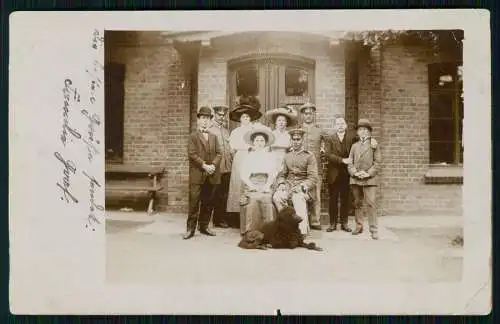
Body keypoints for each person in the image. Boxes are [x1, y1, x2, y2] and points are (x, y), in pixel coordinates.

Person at [273, 128, 319, 236]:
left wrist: (303, 186)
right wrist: (281, 184)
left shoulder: (309, 156)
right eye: (293, 139)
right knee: (277, 197)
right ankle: (286, 226)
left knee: (297, 198)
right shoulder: (287, 156)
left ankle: (302, 231)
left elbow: (313, 177)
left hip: (304, 188)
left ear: (302, 140)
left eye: (298, 139)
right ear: (291, 141)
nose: (296, 142)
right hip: (289, 186)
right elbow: (282, 174)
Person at [184, 106, 221, 240]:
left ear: (211, 121)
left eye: (208, 118)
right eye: (203, 118)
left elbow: (219, 153)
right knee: (194, 201)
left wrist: (213, 165)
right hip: (197, 174)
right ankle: (190, 229)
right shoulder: (193, 136)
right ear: (198, 120)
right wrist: (204, 165)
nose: (205, 121)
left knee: (208, 202)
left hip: (211, 174)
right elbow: (192, 154)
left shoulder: (214, 137)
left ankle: (204, 226)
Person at [226, 103, 264, 217]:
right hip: (239, 158)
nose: (245, 119)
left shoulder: (254, 131)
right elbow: (231, 149)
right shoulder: (235, 132)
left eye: (247, 117)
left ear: (250, 118)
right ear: (239, 119)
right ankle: (236, 214)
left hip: (251, 156)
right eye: (243, 117)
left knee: (250, 181)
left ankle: (250, 211)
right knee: (238, 183)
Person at [347, 119, 382, 240]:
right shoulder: (354, 146)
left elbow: (377, 163)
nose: (363, 132)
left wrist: (368, 174)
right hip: (356, 179)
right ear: (357, 132)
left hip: (369, 179)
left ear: (369, 132)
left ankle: (374, 229)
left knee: (371, 203)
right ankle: (359, 226)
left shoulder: (373, 145)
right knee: (357, 203)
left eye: (365, 130)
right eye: (360, 129)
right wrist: (355, 172)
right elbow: (349, 162)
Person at [239, 127, 278, 234]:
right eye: (257, 140)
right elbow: (244, 175)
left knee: (266, 200)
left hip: (266, 183)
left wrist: (267, 186)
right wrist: (252, 186)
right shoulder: (248, 157)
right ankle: (251, 232)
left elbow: (273, 174)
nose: (259, 143)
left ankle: (268, 232)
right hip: (252, 183)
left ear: (265, 143)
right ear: (253, 143)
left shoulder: (270, 156)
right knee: (254, 201)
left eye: (262, 141)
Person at [324, 115, 357, 232]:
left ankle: (344, 223)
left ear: (346, 125)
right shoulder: (330, 138)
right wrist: (342, 160)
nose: (340, 126)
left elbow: (363, 141)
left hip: (346, 173)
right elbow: (328, 155)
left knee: (345, 199)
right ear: (335, 126)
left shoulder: (352, 137)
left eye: (342, 123)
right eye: (338, 124)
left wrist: (372, 140)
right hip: (334, 173)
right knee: (333, 199)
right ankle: (332, 223)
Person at [299, 102, 328, 230]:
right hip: (300, 168)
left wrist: (323, 149)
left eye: (311, 113)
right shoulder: (298, 130)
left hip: (316, 168)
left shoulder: (319, 130)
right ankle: (302, 220)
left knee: (316, 194)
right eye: (306, 113)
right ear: (302, 115)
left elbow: (331, 141)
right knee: (301, 195)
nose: (308, 116)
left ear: (314, 115)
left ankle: (315, 221)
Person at [207, 105, 232, 228]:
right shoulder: (210, 130)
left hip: (227, 167)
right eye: (219, 115)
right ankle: (209, 219)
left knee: (224, 194)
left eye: (223, 115)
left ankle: (220, 219)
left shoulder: (226, 131)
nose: (221, 117)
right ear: (215, 115)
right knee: (213, 194)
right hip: (216, 167)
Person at [265, 105, 299, 173]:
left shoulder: (289, 135)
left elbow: (292, 150)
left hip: (285, 160)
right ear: (276, 122)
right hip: (272, 160)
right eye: (279, 120)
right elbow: (267, 150)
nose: (281, 122)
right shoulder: (271, 134)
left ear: (286, 123)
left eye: (283, 121)